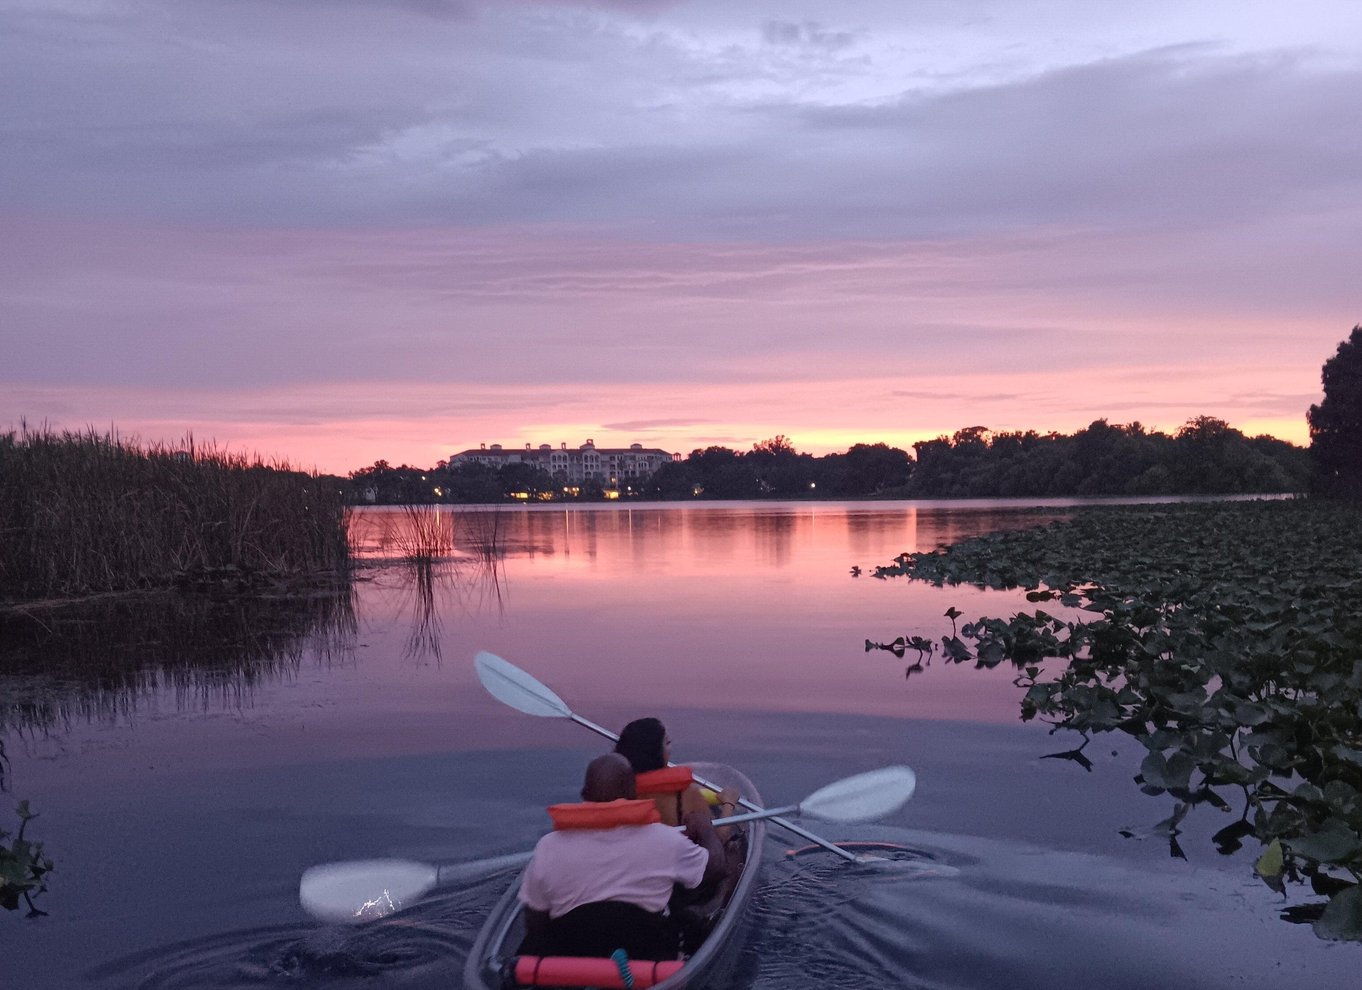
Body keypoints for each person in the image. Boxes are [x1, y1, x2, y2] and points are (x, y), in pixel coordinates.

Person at [518, 753, 728, 961]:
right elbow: (716, 869)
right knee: (687, 920)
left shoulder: (548, 846)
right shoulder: (665, 840)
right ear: (633, 793)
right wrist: (705, 828)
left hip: (571, 954)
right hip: (644, 954)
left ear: (584, 794)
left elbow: (536, 920)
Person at [614, 717, 740, 828]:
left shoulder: (615, 791)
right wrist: (729, 803)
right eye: (667, 742)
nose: (671, 748)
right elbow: (717, 838)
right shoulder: (686, 795)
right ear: (654, 753)